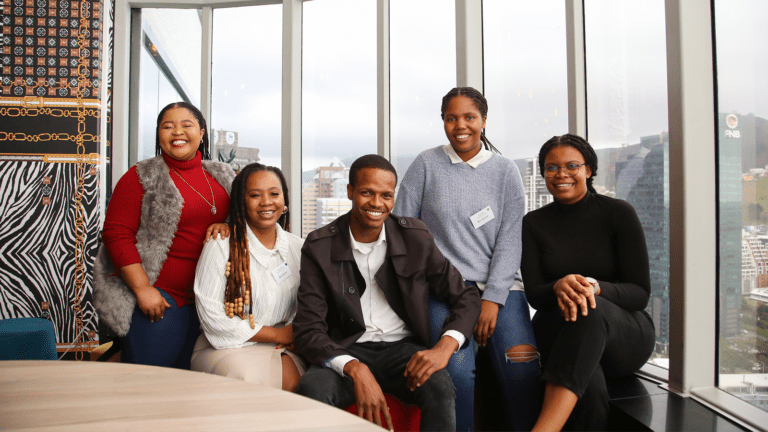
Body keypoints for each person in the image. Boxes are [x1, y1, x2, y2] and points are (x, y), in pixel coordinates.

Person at [294, 154, 481, 431]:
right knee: (312, 388)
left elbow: (465, 296)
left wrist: (443, 348)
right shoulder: (320, 245)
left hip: (403, 351)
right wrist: (354, 368)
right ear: (350, 192)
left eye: (386, 195)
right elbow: (308, 328)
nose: (377, 204)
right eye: (367, 193)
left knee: (440, 387)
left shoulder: (415, 238)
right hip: (346, 349)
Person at [394, 87, 539, 431]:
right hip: (444, 289)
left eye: (469, 117)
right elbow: (402, 228)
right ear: (443, 121)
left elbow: (509, 240)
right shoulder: (426, 164)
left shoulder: (505, 171)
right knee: (455, 369)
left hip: (500, 287)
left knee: (521, 364)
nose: (461, 125)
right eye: (451, 118)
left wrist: (492, 299)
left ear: (484, 121)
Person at [521, 134, 655, 431]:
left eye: (571, 166)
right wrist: (557, 286)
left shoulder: (619, 213)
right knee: (589, 391)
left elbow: (640, 294)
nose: (561, 174)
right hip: (561, 332)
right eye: (551, 168)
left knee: (589, 308)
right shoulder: (533, 223)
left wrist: (595, 287)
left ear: (589, 169)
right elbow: (535, 296)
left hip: (623, 338)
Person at [94, 102, 236, 369]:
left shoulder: (223, 176)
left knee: (191, 383)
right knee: (151, 380)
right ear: (159, 135)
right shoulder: (141, 175)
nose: (177, 132)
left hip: (210, 299)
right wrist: (143, 289)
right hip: (162, 297)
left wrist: (228, 226)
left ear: (202, 132)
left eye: (186, 125)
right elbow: (116, 234)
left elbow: (243, 220)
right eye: (167, 127)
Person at [191, 164, 306, 391]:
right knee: (251, 383)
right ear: (241, 201)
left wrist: (295, 334)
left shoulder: (300, 248)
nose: (266, 202)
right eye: (255, 195)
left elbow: (312, 303)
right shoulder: (221, 246)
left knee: (302, 384)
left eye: (274, 194)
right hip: (227, 347)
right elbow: (211, 316)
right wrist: (277, 334)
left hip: (285, 346)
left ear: (284, 201)